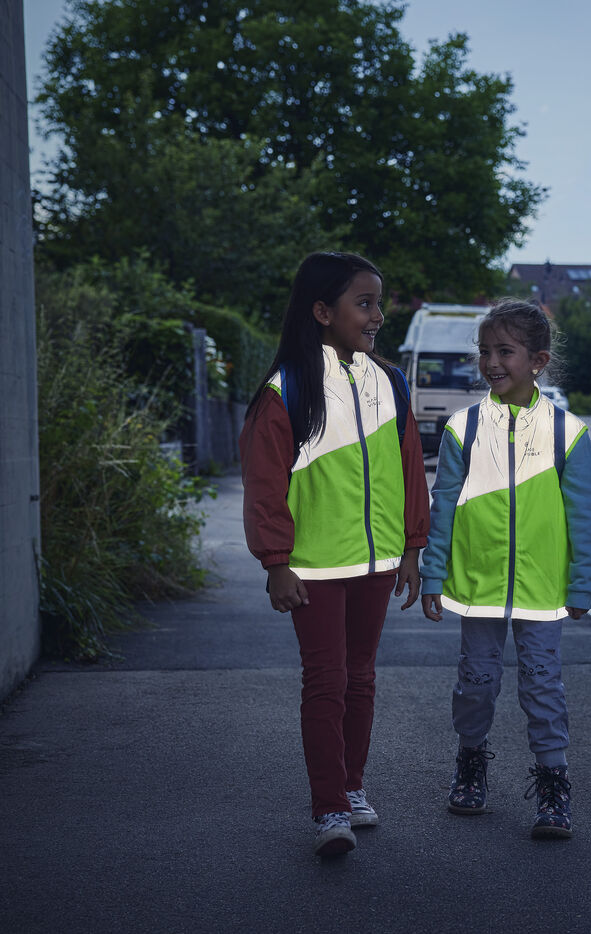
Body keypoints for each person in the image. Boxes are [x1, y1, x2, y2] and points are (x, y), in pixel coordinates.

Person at [240, 251, 429, 858]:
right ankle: (328, 809)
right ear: (322, 312)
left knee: (361, 678)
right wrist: (275, 562)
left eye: (380, 302)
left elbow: (408, 472)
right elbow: (265, 484)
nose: (378, 315)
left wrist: (410, 548)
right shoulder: (287, 389)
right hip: (313, 570)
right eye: (364, 303)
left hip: (376, 565)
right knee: (326, 682)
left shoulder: (390, 382)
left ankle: (352, 787)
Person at [421, 299, 591, 840]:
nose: (492, 362)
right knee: (476, 683)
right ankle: (470, 764)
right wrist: (433, 574)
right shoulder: (462, 429)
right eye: (485, 352)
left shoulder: (568, 433)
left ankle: (552, 784)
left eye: (505, 351)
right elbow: (443, 504)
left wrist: (582, 580)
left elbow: (582, 514)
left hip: (542, 588)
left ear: (539, 359)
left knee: (544, 687)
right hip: (476, 585)